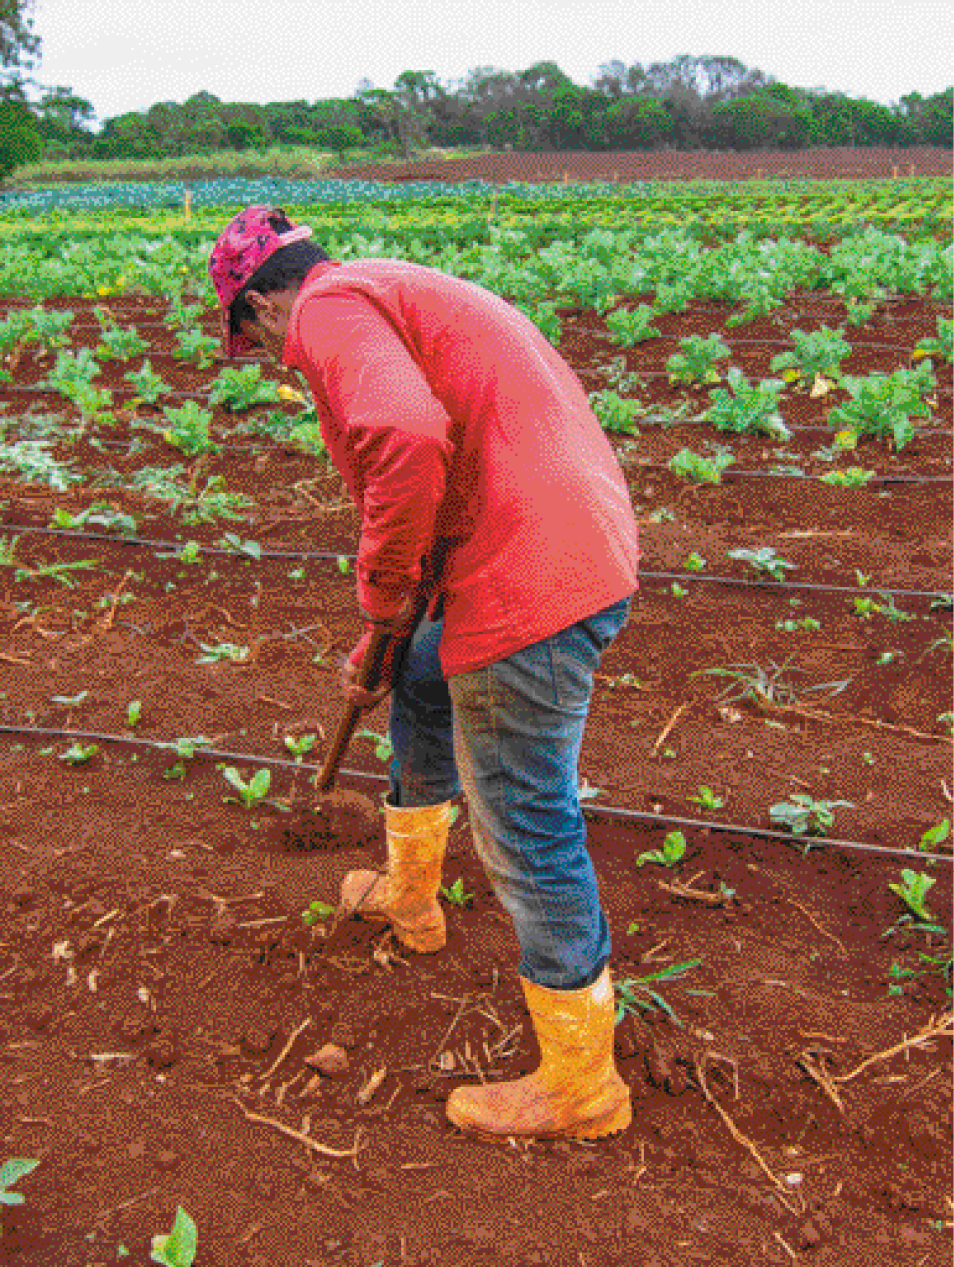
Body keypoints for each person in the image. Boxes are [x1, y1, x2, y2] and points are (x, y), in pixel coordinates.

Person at [209, 205, 642, 1142]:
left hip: (532, 573)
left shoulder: (324, 312)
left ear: (257, 310)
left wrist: (379, 596)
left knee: (526, 815)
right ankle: (412, 898)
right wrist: (389, 635)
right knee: (418, 676)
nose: (270, 359)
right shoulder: (381, 287)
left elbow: (405, 437)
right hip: (542, 533)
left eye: (251, 339)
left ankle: (582, 1083)